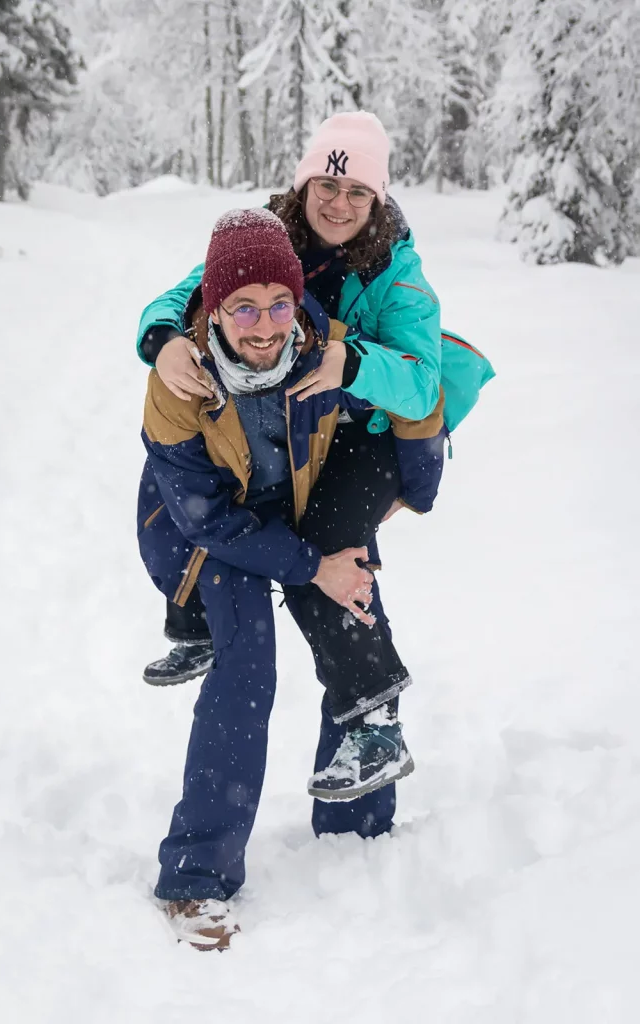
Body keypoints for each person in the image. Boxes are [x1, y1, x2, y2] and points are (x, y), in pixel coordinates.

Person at [138, 209, 445, 949]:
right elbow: (205, 520)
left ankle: (356, 832)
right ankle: (196, 875)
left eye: (279, 302)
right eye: (242, 306)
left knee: (353, 610)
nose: (265, 323)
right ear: (212, 308)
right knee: (246, 668)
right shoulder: (177, 381)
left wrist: (414, 486)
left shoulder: (329, 350)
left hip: (304, 506)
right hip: (216, 532)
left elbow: (420, 392)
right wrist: (311, 566)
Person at [138, 111, 447, 690]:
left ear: (377, 199)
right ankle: (194, 623)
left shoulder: (398, 274)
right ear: (305, 184)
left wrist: (352, 362)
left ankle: (371, 708)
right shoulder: (268, 237)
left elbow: (423, 385)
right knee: (177, 473)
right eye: (326, 185)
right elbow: (188, 292)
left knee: (328, 545)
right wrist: (162, 339)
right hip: (290, 416)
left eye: (357, 191)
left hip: (365, 428)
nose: (338, 203)